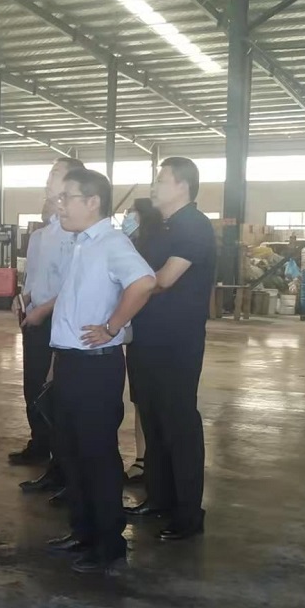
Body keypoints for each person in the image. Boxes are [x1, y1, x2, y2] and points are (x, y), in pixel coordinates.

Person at [46, 168, 155, 574]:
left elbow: (144, 283)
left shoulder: (111, 242)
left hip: (96, 367)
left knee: (97, 456)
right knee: (72, 454)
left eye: (67, 197)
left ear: (92, 202)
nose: (60, 205)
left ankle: (109, 546)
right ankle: (83, 532)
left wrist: (112, 326)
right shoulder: (82, 243)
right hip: (72, 363)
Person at [126, 157, 216, 541]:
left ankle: (188, 512)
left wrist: (127, 292)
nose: (154, 186)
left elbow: (162, 280)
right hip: (145, 336)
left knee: (178, 422)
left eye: (161, 180)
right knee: (152, 418)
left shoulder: (193, 226)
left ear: (183, 185)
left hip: (177, 341)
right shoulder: (157, 227)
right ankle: (159, 498)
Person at [10, 157, 84, 499]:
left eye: (55, 173)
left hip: (58, 319)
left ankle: (64, 470)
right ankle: (43, 448)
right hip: (35, 317)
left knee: (56, 394)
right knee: (34, 388)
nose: (48, 179)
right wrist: (23, 299)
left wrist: (43, 310)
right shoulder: (43, 234)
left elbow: (73, 285)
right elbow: (35, 278)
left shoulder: (75, 235)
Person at [122, 198, 165, 483]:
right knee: (139, 399)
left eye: (131, 213)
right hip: (136, 332)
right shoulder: (129, 247)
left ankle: (154, 461)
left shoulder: (155, 248)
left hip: (155, 331)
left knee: (152, 400)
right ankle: (141, 458)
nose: (127, 218)